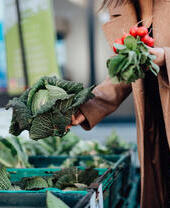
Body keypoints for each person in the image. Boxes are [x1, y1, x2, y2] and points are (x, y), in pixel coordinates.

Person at [70, 0, 170, 207]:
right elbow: (126, 71)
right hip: (156, 128)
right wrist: (88, 106)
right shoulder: (121, 5)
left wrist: (166, 57)